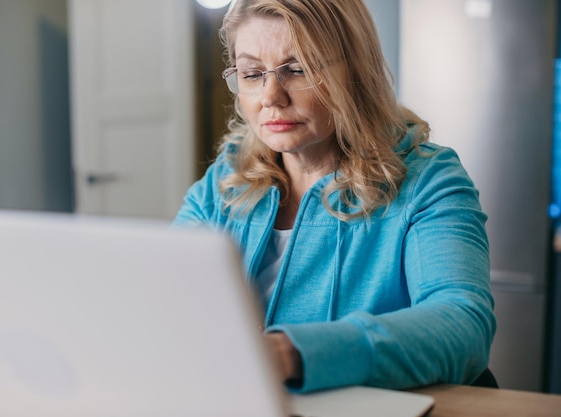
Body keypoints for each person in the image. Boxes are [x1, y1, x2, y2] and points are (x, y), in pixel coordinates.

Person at [173, 0, 495, 393]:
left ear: (355, 71)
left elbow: (462, 325)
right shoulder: (226, 178)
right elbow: (165, 293)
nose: (271, 96)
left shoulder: (427, 180)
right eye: (252, 73)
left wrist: (290, 353)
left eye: (298, 69)